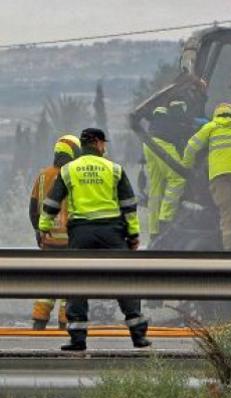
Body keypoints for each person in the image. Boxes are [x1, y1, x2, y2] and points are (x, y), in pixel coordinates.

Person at [39, 128, 150, 352]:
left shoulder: (69, 170)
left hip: (82, 232)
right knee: (124, 281)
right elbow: (128, 205)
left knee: (77, 282)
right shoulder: (114, 169)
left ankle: (77, 339)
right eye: (103, 144)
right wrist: (134, 235)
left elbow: (52, 202)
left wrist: (44, 227)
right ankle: (138, 335)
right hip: (112, 232)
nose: (104, 147)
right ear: (98, 143)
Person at [183, 102, 231, 250]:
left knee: (227, 211)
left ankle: (229, 248)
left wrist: (188, 166)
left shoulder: (210, 127)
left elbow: (191, 146)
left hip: (218, 175)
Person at [27, 133, 80, 329]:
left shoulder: (43, 176)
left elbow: (33, 209)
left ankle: (39, 322)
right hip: (71, 243)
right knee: (70, 285)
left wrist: (38, 232)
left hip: (48, 242)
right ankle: (64, 325)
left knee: (48, 283)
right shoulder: (75, 175)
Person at [142, 105, 188, 239]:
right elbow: (181, 120)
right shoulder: (179, 102)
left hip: (150, 143)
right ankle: (165, 219)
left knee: (156, 187)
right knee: (178, 177)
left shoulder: (160, 107)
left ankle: (154, 230)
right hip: (163, 142)